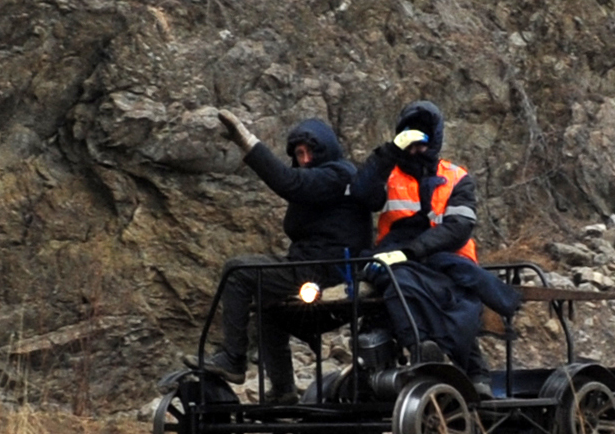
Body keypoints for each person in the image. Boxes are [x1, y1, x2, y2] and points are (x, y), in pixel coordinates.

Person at [198, 112, 376, 396]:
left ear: (325, 150)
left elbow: (288, 182)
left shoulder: (338, 174)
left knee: (239, 271)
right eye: (299, 154)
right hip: (311, 266)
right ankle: (283, 390)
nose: (304, 159)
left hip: (327, 271)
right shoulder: (319, 184)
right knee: (269, 305)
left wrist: (248, 143)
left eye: (308, 152)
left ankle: (233, 358)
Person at [354, 100, 517, 390]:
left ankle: (467, 368)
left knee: (456, 300)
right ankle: (420, 348)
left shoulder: (457, 177)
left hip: (449, 258)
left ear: (435, 139)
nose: (417, 147)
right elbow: (362, 195)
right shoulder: (388, 173)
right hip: (395, 259)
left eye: (423, 139)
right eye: (410, 138)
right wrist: (389, 151)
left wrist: (411, 251)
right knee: (399, 283)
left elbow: (458, 228)